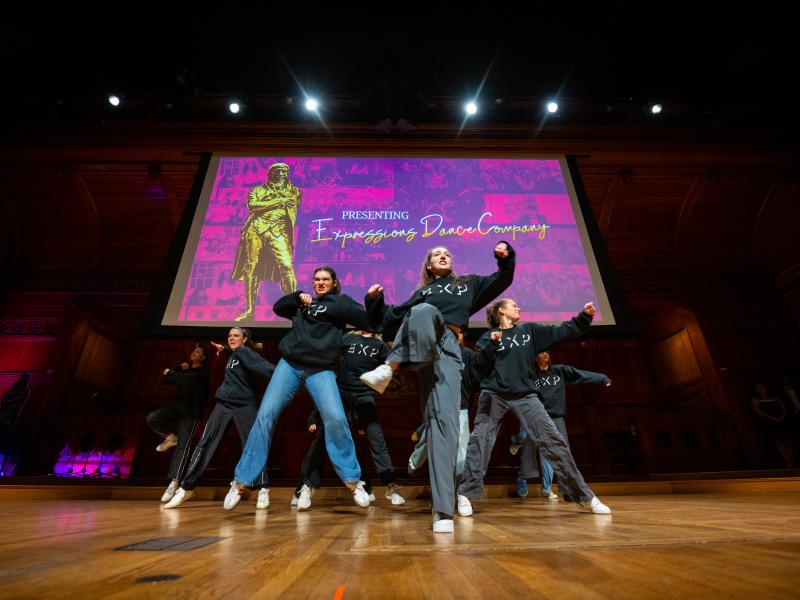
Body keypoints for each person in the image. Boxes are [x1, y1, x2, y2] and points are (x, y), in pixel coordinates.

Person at [360, 242, 515, 533]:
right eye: (435, 254)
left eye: (446, 253)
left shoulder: (466, 284)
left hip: (446, 350)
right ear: (429, 266)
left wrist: (505, 258)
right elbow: (388, 320)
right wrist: (373, 301)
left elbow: (501, 280)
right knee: (421, 309)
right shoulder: (422, 293)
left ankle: (443, 511)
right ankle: (389, 368)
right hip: (421, 350)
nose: (442, 255)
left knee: (444, 426)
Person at [224, 267, 378, 511]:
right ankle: (241, 482)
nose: (320, 283)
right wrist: (297, 296)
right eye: (316, 279)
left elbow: (371, 320)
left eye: (325, 279)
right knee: (265, 416)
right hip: (290, 365)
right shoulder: (303, 305)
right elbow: (278, 307)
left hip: (321, 370)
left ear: (334, 283)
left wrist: (372, 300)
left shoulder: (341, 304)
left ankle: (352, 480)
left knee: (336, 419)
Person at [457, 298, 612, 516]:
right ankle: (466, 493)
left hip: (525, 395)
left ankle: (584, 496)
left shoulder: (529, 331)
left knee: (554, 441)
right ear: (501, 310)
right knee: (480, 441)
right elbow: (478, 368)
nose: (518, 307)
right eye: (514, 305)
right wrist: (491, 345)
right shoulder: (486, 337)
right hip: (494, 394)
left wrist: (584, 317)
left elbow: (562, 332)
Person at [292, 330, 403, 510]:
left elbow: (391, 368)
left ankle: (391, 486)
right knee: (323, 438)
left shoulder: (380, 345)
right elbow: (328, 353)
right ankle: (307, 487)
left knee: (377, 438)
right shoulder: (349, 338)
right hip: (341, 392)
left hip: (364, 395)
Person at [164, 327, 274, 509]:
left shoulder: (246, 352)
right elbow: (233, 352)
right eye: (229, 336)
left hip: (245, 405)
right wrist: (225, 349)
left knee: (252, 445)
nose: (231, 338)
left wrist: (284, 375)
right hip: (223, 405)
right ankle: (186, 487)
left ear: (245, 339)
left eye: (236, 336)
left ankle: (262, 488)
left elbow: (263, 366)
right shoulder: (233, 353)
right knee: (205, 443)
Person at [407, 344, 496, 516]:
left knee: (462, 454)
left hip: (460, 407)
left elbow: (477, 377)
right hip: (438, 405)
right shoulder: (433, 352)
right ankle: (417, 458)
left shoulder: (468, 355)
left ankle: (461, 495)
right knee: (432, 441)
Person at [512, 351, 611, 499]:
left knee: (563, 452)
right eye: (542, 352)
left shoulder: (560, 371)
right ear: (535, 357)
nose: (546, 354)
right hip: (537, 417)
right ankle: (522, 476)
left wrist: (602, 378)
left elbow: (581, 374)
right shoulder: (531, 375)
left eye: (547, 352)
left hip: (556, 418)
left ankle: (566, 490)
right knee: (528, 446)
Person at [232, 162, 302, 321]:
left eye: (285, 172)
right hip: (256, 230)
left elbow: (292, 201)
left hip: (278, 231)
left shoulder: (293, 191)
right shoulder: (256, 190)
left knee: (286, 266)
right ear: (271, 174)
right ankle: (249, 310)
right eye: (278, 172)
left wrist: (279, 198)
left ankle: (293, 307)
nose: (282, 175)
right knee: (251, 268)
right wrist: (276, 202)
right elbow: (253, 206)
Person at [145, 345, 209, 503]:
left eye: (199, 352)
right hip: (177, 406)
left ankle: (174, 482)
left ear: (203, 358)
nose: (195, 353)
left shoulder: (202, 372)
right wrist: (178, 367)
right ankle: (171, 436)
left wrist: (172, 372)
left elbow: (187, 381)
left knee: (184, 446)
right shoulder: (183, 370)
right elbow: (164, 380)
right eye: (194, 351)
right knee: (152, 418)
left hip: (192, 412)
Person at [751, 382, 795, 468]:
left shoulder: (774, 397)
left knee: (787, 442)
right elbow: (758, 412)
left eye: (762, 387)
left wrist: (783, 416)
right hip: (769, 423)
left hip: (781, 421)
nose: (761, 389)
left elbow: (784, 408)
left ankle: (794, 461)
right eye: (758, 388)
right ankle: (788, 463)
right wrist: (772, 418)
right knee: (779, 442)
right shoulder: (755, 399)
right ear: (755, 390)